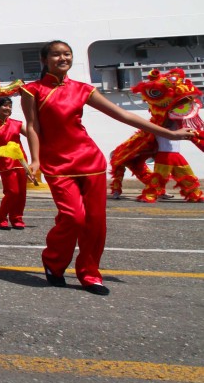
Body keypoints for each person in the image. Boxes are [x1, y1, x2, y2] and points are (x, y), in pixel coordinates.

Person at [20, 40, 194, 295]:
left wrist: (171, 134)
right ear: (44, 60)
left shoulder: (83, 90)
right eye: (56, 55)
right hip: (57, 164)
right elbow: (32, 127)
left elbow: (123, 115)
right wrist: (35, 160)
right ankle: (54, 261)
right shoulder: (32, 90)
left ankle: (90, 274)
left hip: (89, 160)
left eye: (67, 54)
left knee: (95, 222)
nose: (62, 58)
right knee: (73, 217)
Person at [0, 98, 30, 228]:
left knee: (21, 193)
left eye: (10, 106)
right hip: (5, 163)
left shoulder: (18, 124)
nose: (8, 109)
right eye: (5, 106)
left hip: (21, 161)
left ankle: (17, 218)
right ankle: (0, 216)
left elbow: (32, 135)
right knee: (12, 192)